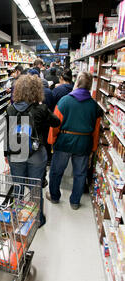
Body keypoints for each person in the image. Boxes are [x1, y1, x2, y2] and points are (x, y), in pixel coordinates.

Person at [4, 74, 60, 226]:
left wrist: (6, 154)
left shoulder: (10, 109)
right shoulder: (41, 108)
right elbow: (56, 122)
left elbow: (7, 133)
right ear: (37, 91)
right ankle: (38, 220)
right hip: (36, 153)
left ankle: (17, 218)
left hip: (16, 153)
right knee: (35, 189)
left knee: (18, 187)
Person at [46, 72, 102, 210]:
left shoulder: (65, 101)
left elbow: (55, 124)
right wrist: (93, 148)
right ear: (89, 87)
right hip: (84, 143)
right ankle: (75, 201)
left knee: (56, 171)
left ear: (76, 83)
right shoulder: (94, 106)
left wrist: (51, 140)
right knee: (80, 173)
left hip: (64, 141)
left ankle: (54, 196)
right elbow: (96, 131)